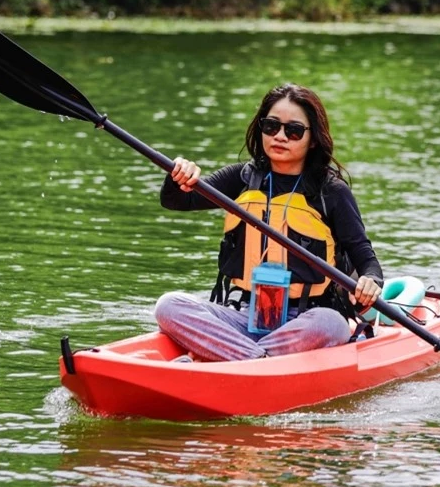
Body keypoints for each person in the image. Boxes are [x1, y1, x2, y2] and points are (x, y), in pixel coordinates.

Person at [154, 84, 383, 362]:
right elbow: (178, 200)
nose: (280, 136)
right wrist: (177, 173)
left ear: (313, 140)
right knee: (168, 306)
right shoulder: (242, 178)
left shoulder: (330, 192)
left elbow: (363, 255)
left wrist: (371, 281)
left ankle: (227, 357)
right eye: (271, 126)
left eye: (294, 130)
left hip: (304, 320)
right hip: (244, 317)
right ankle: (258, 361)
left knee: (331, 322)